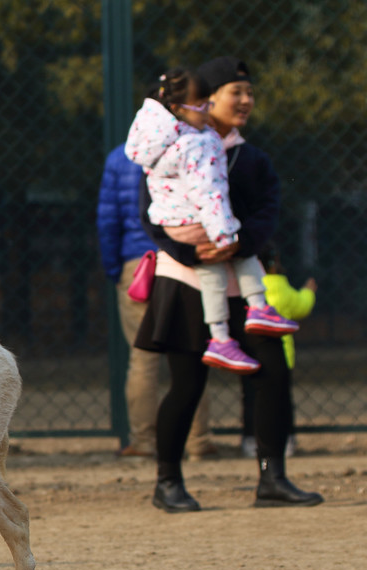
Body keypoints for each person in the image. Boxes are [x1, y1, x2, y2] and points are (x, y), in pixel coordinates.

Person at [135, 57, 322, 511]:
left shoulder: (252, 157)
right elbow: (153, 215)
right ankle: (168, 482)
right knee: (187, 384)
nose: (246, 101)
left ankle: (272, 477)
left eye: (250, 93)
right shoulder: (169, 149)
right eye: (236, 91)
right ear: (204, 100)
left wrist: (237, 244)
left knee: (273, 373)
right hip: (185, 281)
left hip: (245, 289)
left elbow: (267, 213)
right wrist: (191, 252)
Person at [126, 68, 297, 376]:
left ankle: (220, 337)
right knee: (232, 251)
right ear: (180, 107)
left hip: (173, 223)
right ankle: (257, 307)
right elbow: (209, 192)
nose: (206, 110)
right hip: (196, 225)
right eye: (202, 104)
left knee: (212, 275)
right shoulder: (198, 143)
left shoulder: (158, 140)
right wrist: (226, 234)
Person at [97, 144, 215, 460]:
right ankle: (197, 442)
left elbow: (108, 221)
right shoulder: (193, 147)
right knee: (192, 352)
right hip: (183, 260)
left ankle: (144, 442)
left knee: (142, 358)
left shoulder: (120, 157)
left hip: (138, 265)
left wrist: (116, 268)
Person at [241, 244, 317, 458]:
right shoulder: (282, 289)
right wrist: (309, 291)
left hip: (248, 356)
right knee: (282, 401)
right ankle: (287, 440)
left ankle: (250, 439)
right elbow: (302, 306)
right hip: (281, 357)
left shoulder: (244, 287)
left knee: (250, 399)